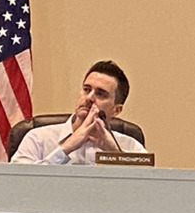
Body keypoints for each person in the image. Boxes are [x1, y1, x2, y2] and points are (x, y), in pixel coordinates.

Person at [11, 60, 147, 165]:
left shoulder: (131, 146)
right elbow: (15, 184)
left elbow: (147, 191)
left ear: (116, 110)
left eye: (100, 94)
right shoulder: (38, 138)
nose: (89, 98)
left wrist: (116, 155)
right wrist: (66, 148)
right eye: (86, 89)